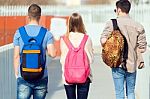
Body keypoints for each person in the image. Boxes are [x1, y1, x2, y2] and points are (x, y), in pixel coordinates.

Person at [100, 0, 147, 99]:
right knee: (130, 92)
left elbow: (103, 41)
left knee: (119, 92)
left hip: (117, 63)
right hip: (132, 64)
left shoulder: (111, 23)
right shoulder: (138, 26)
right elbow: (142, 48)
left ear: (119, 10)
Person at [13, 4, 56, 99]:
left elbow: (16, 56)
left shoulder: (19, 32)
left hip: (23, 76)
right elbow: (53, 54)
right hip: (41, 76)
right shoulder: (47, 33)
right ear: (40, 16)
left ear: (28, 16)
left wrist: (17, 75)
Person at [60, 13, 94, 99]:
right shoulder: (86, 38)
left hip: (68, 76)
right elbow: (91, 59)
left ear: (69, 23)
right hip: (84, 75)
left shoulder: (64, 39)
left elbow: (62, 59)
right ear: (81, 23)